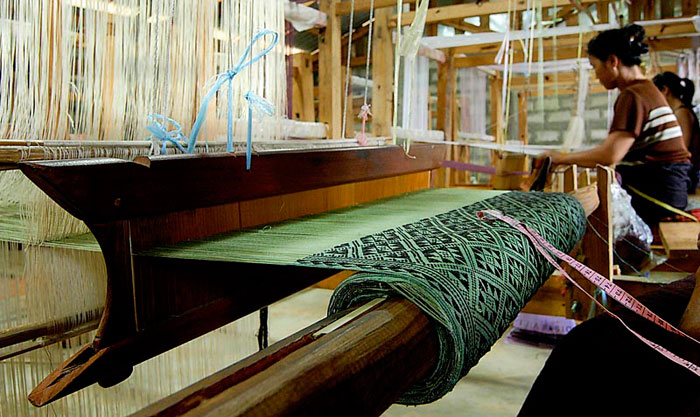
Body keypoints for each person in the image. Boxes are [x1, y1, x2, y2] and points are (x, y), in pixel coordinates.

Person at [543, 25, 691, 227]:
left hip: (659, 195)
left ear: (613, 61)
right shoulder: (646, 90)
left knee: (589, 220)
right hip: (670, 188)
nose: (596, 75)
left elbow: (610, 155)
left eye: (596, 67)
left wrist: (560, 159)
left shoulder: (633, 95)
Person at [653, 71, 700, 194]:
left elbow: (682, 148)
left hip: (688, 174)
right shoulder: (677, 112)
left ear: (665, 90)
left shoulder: (682, 113)